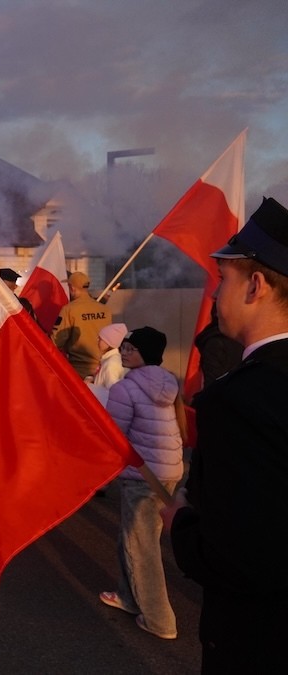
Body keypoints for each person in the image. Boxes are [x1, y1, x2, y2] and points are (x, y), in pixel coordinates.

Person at [165, 197, 288, 671]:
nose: (216, 296)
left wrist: (180, 525)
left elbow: (241, 559)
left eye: (223, 280)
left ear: (256, 285)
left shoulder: (240, 401)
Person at [99, 326, 184, 640]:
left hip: (141, 475)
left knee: (142, 546)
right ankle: (129, 597)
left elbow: (114, 436)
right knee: (134, 538)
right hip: (168, 472)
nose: (123, 352)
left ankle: (159, 620)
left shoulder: (126, 389)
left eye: (130, 349)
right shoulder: (168, 382)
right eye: (123, 347)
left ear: (144, 353)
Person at [52, 271, 113, 379]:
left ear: (72, 288)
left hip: (79, 371)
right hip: (103, 370)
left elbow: (56, 341)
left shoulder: (69, 310)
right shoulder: (105, 309)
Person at [94, 322, 129, 390]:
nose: (97, 340)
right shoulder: (108, 359)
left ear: (109, 343)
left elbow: (113, 389)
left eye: (100, 339)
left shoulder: (111, 364)